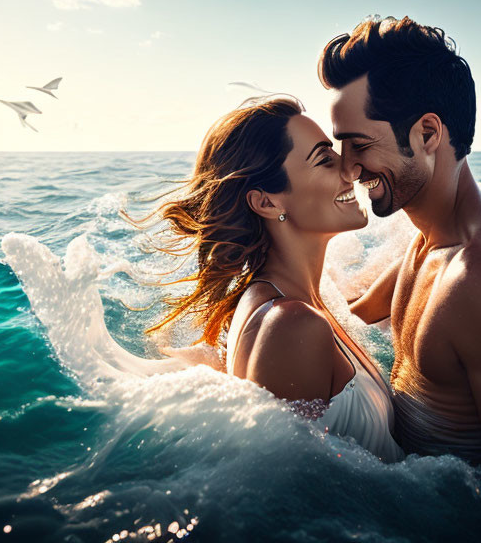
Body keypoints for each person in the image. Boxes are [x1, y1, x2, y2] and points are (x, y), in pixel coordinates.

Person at [318, 16, 481, 523]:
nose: (347, 167)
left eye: (360, 145)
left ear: (428, 132)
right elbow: (346, 315)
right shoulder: (429, 242)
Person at [133, 96, 403, 463]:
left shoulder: (296, 301)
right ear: (267, 203)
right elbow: (293, 500)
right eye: (325, 159)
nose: (351, 170)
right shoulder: (294, 325)